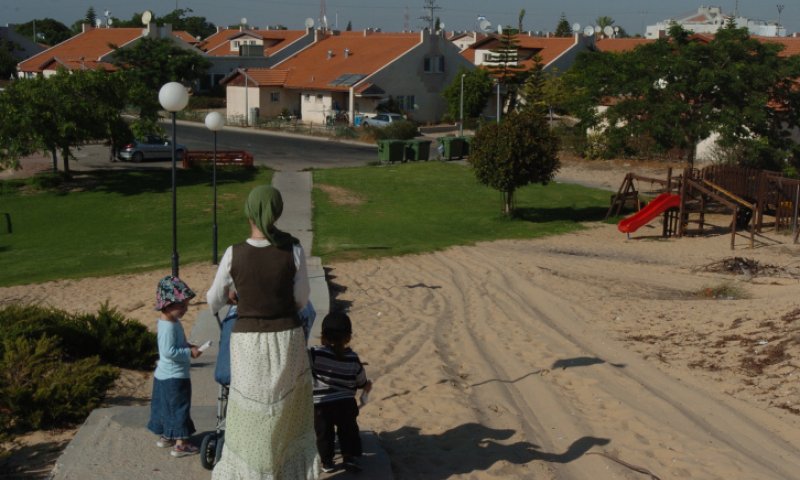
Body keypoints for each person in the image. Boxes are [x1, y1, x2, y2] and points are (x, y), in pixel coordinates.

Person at [207, 185, 319, 479]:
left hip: (248, 343)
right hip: (286, 338)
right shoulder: (293, 249)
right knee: (284, 409)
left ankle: (253, 471)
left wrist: (234, 294)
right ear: (276, 212)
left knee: (250, 410)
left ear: (249, 212)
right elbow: (302, 299)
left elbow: (213, 299)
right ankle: (285, 469)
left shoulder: (234, 253)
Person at [309, 312, 372, 473]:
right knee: (348, 430)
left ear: (323, 335)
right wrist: (366, 385)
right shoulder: (352, 358)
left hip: (321, 404)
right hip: (345, 403)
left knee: (324, 433)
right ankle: (349, 458)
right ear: (348, 337)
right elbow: (360, 381)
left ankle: (327, 462)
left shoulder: (315, 353)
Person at [147, 275, 202, 458]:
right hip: (174, 376)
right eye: (182, 306)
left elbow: (177, 344)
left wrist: (189, 346)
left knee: (166, 406)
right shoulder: (168, 326)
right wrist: (188, 353)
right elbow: (169, 351)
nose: (185, 310)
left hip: (165, 375)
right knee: (179, 407)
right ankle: (181, 444)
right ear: (168, 305)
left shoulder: (171, 322)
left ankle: (167, 435)